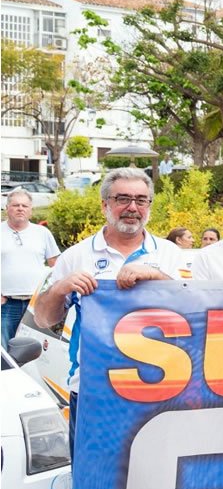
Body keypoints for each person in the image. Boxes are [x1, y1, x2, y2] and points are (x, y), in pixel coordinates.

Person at [32, 169, 185, 420]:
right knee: (91, 461)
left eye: (141, 200)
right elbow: (43, 320)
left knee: (149, 461)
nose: (132, 207)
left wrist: (158, 277)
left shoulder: (171, 254)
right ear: (105, 205)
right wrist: (61, 288)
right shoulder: (77, 255)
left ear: (149, 205)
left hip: (161, 388)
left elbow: (194, 312)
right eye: (122, 199)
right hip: (93, 391)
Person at [2, 189, 59, 350]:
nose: (20, 208)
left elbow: (56, 264)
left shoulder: (42, 233)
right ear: (7, 208)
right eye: (16, 205)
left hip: (36, 304)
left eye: (24, 206)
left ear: (30, 210)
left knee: (36, 350)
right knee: (6, 351)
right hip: (7, 304)